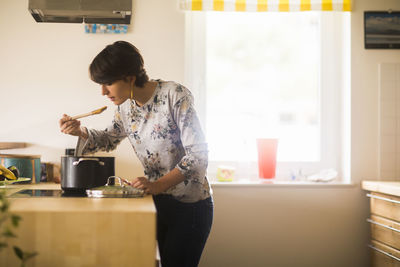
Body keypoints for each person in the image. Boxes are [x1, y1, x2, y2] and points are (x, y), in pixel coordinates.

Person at [59, 40, 213, 267]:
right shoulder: (125, 107)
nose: (103, 92)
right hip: (156, 202)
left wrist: (158, 184)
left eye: (108, 83)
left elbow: (198, 156)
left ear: (130, 77)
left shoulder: (174, 94)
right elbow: (109, 139)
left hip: (190, 205)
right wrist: (79, 131)